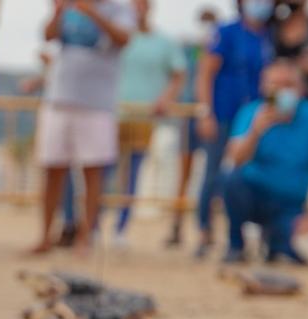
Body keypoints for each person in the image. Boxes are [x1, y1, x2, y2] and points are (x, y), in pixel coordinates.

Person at [30, 0, 134, 256]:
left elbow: (124, 39)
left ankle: (86, 237)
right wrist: (58, 11)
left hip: (97, 103)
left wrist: (92, 13)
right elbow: (47, 36)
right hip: (58, 99)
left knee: (93, 173)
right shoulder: (69, 6)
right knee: (52, 169)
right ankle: (45, 236)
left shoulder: (120, 8)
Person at [221, 59, 308, 265]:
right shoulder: (251, 112)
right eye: (275, 85)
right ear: (263, 87)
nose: (281, 91)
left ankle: (275, 242)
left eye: (288, 85)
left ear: (301, 89)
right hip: (254, 194)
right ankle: (235, 245)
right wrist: (255, 131)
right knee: (231, 181)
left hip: (291, 205)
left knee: (294, 252)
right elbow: (234, 160)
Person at [195, 0, 274, 260]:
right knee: (213, 175)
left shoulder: (270, 35)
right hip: (224, 115)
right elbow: (205, 72)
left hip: (254, 119)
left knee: (247, 176)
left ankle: (241, 237)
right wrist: (206, 112)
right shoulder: (226, 32)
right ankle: (205, 233)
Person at [113, 0, 186, 240]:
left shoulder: (164, 42)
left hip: (144, 117)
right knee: (104, 170)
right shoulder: (116, 35)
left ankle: (120, 229)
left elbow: (178, 74)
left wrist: (165, 99)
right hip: (112, 113)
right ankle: (91, 227)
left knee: (132, 173)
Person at [166, 6, 218, 249]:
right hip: (192, 113)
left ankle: (205, 229)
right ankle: (178, 225)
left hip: (205, 113)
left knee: (208, 176)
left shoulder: (211, 46)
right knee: (186, 174)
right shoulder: (191, 47)